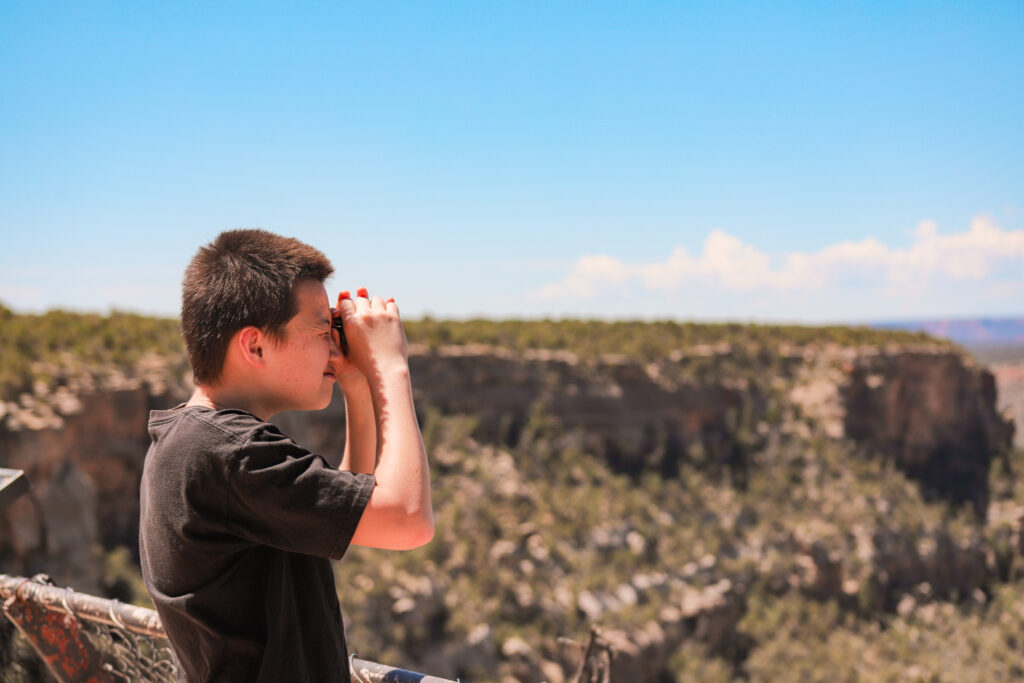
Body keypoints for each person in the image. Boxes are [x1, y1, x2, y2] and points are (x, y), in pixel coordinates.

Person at [139, 229, 433, 682]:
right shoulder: (232, 455)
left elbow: (344, 517)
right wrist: (391, 367)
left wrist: (357, 386)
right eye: (321, 330)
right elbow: (407, 519)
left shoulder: (193, 440)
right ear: (254, 345)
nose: (334, 346)